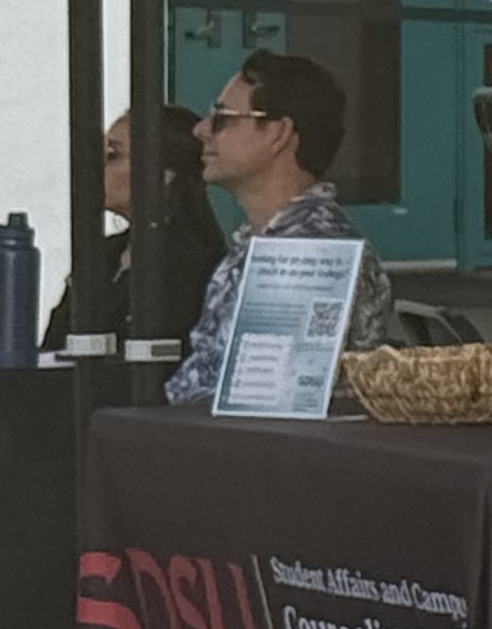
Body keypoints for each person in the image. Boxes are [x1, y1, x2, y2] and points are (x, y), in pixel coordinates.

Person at [162, 51, 396, 408]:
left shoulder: (312, 255)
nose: (201, 129)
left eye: (223, 117)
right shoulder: (269, 241)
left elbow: (266, 405)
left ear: (278, 133)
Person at [46, 105, 224, 355]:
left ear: (163, 175)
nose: (94, 167)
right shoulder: (100, 255)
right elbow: (52, 346)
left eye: (112, 154)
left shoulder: (194, 266)